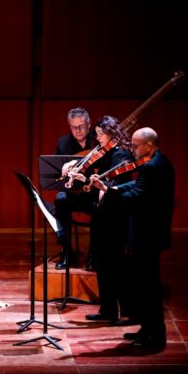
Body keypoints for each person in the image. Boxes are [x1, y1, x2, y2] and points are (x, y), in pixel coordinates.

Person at [90, 127, 174, 350]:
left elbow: (137, 195)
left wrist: (111, 193)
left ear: (148, 145)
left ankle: (155, 338)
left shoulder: (154, 167)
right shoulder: (157, 162)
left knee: (148, 287)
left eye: (136, 146)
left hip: (148, 235)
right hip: (148, 234)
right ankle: (147, 329)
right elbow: (136, 186)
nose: (133, 150)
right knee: (143, 284)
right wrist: (112, 188)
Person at [67, 116, 134, 323]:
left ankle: (126, 312)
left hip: (115, 216)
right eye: (96, 134)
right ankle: (107, 310)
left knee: (114, 264)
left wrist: (88, 180)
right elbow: (97, 181)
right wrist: (81, 177)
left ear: (112, 133)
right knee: (101, 263)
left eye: (100, 134)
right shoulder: (104, 153)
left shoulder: (121, 155)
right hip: (101, 213)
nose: (98, 139)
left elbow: (112, 185)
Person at [54, 107, 99, 269]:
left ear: (88, 124)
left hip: (92, 193)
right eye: (74, 127)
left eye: (81, 126)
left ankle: (94, 255)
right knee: (60, 200)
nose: (78, 131)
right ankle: (67, 251)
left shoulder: (98, 141)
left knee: (101, 205)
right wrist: (63, 171)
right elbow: (56, 175)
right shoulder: (63, 143)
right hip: (72, 193)